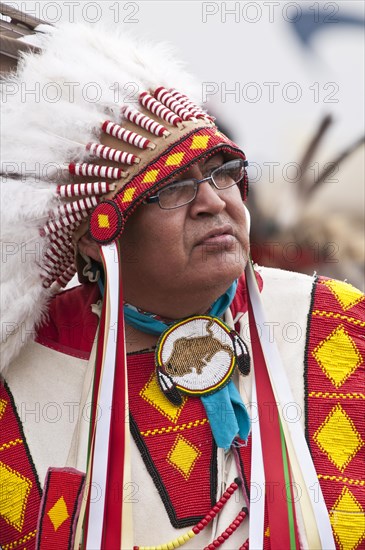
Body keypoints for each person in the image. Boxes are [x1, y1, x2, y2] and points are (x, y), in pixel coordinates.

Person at [1, 16, 364, 550]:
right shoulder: (21, 384)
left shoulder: (338, 326)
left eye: (222, 172)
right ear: (94, 236)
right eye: (172, 188)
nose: (215, 202)